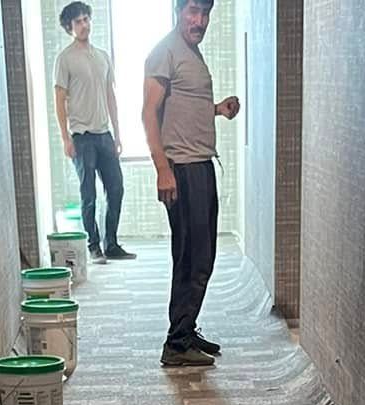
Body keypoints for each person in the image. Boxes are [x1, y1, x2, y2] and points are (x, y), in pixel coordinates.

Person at [143, 0, 239, 367]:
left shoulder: (189, 52)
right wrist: (162, 169)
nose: (199, 20)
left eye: (205, 13)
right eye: (192, 11)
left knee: (199, 253)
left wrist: (216, 108)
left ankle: (185, 327)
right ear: (179, 11)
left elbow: (180, 104)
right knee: (193, 257)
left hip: (198, 164)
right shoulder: (165, 51)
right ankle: (177, 343)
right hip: (183, 168)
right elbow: (148, 112)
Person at [54, 4, 135, 264]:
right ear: (70, 28)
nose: (84, 25)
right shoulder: (64, 59)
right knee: (88, 194)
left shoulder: (102, 56)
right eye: (78, 22)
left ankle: (111, 243)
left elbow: (111, 96)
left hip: (105, 135)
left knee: (116, 188)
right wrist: (65, 138)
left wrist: (119, 133)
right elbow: (59, 98)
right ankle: (93, 246)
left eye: (86, 19)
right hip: (81, 136)